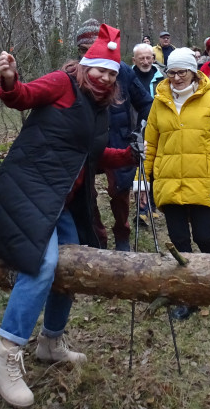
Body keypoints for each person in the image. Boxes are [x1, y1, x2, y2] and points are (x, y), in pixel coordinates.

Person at [0, 25, 139, 408]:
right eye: (99, 69)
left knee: (72, 262)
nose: (104, 77)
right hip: (27, 188)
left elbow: (93, 156)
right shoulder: (62, 84)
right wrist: (8, 78)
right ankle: (6, 353)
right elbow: (21, 96)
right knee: (43, 263)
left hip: (63, 200)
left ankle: (51, 341)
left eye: (111, 72)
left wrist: (131, 155)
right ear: (85, 65)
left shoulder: (101, 107)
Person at [137, 48, 210, 319]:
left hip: (205, 181)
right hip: (169, 183)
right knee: (179, 241)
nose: (177, 78)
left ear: (193, 72)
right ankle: (188, 296)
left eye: (182, 72)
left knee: (205, 236)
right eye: (171, 72)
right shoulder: (158, 102)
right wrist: (142, 184)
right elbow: (149, 147)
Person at [75, 19, 152, 252]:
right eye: (83, 49)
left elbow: (146, 103)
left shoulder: (123, 72)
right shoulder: (73, 74)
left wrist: (139, 131)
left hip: (118, 141)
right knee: (85, 193)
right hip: (85, 144)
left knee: (119, 191)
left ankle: (122, 234)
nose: (87, 52)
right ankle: (97, 237)